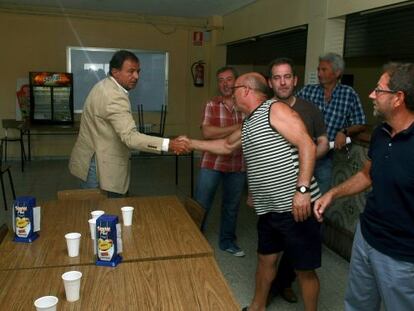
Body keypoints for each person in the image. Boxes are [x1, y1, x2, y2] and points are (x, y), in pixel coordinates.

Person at [188, 72, 322, 311]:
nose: (231, 92)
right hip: (269, 207)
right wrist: (191, 143)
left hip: (295, 206)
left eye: (235, 88)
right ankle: (257, 306)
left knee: (304, 269)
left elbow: (307, 144)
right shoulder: (250, 121)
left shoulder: (275, 110)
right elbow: (227, 146)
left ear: (246, 90)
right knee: (265, 259)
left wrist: (302, 191)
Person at [314, 62, 414, 311]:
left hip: (400, 255)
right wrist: (332, 193)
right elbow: (367, 175)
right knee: (357, 305)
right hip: (366, 236)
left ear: (398, 98)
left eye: (379, 90)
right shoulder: (381, 132)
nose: (372, 94)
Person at [69, 50, 189, 197]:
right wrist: (169, 144)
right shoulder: (114, 96)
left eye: (138, 71)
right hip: (101, 169)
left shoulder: (103, 85)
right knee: (105, 215)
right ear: (115, 71)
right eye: (131, 71)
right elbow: (130, 138)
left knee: (95, 213)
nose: (136, 76)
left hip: (89, 161)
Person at [267, 58, 329, 304]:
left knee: (300, 243)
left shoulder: (309, 109)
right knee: (272, 245)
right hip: (273, 191)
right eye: (277, 77)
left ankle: (284, 283)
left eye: (287, 77)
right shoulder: (264, 109)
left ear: (295, 80)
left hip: (303, 189)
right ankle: (274, 287)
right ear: (271, 82)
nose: (283, 82)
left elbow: (322, 140)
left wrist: (312, 153)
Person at [297, 52, 366, 194]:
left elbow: (361, 123)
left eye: (324, 70)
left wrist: (344, 131)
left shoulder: (349, 94)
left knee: (319, 198)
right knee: (296, 194)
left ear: (337, 73)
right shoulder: (307, 91)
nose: (319, 73)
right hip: (301, 152)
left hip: (325, 158)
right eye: (318, 69)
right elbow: (287, 111)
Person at [195, 66, 246, 257]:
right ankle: (194, 238)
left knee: (231, 206)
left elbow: (247, 131)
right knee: (201, 203)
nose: (225, 84)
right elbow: (207, 132)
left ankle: (227, 242)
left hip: (237, 163)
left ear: (236, 81)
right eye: (221, 80)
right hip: (212, 163)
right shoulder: (212, 104)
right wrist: (238, 127)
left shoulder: (245, 105)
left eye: (229, 79)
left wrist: (224, 131)